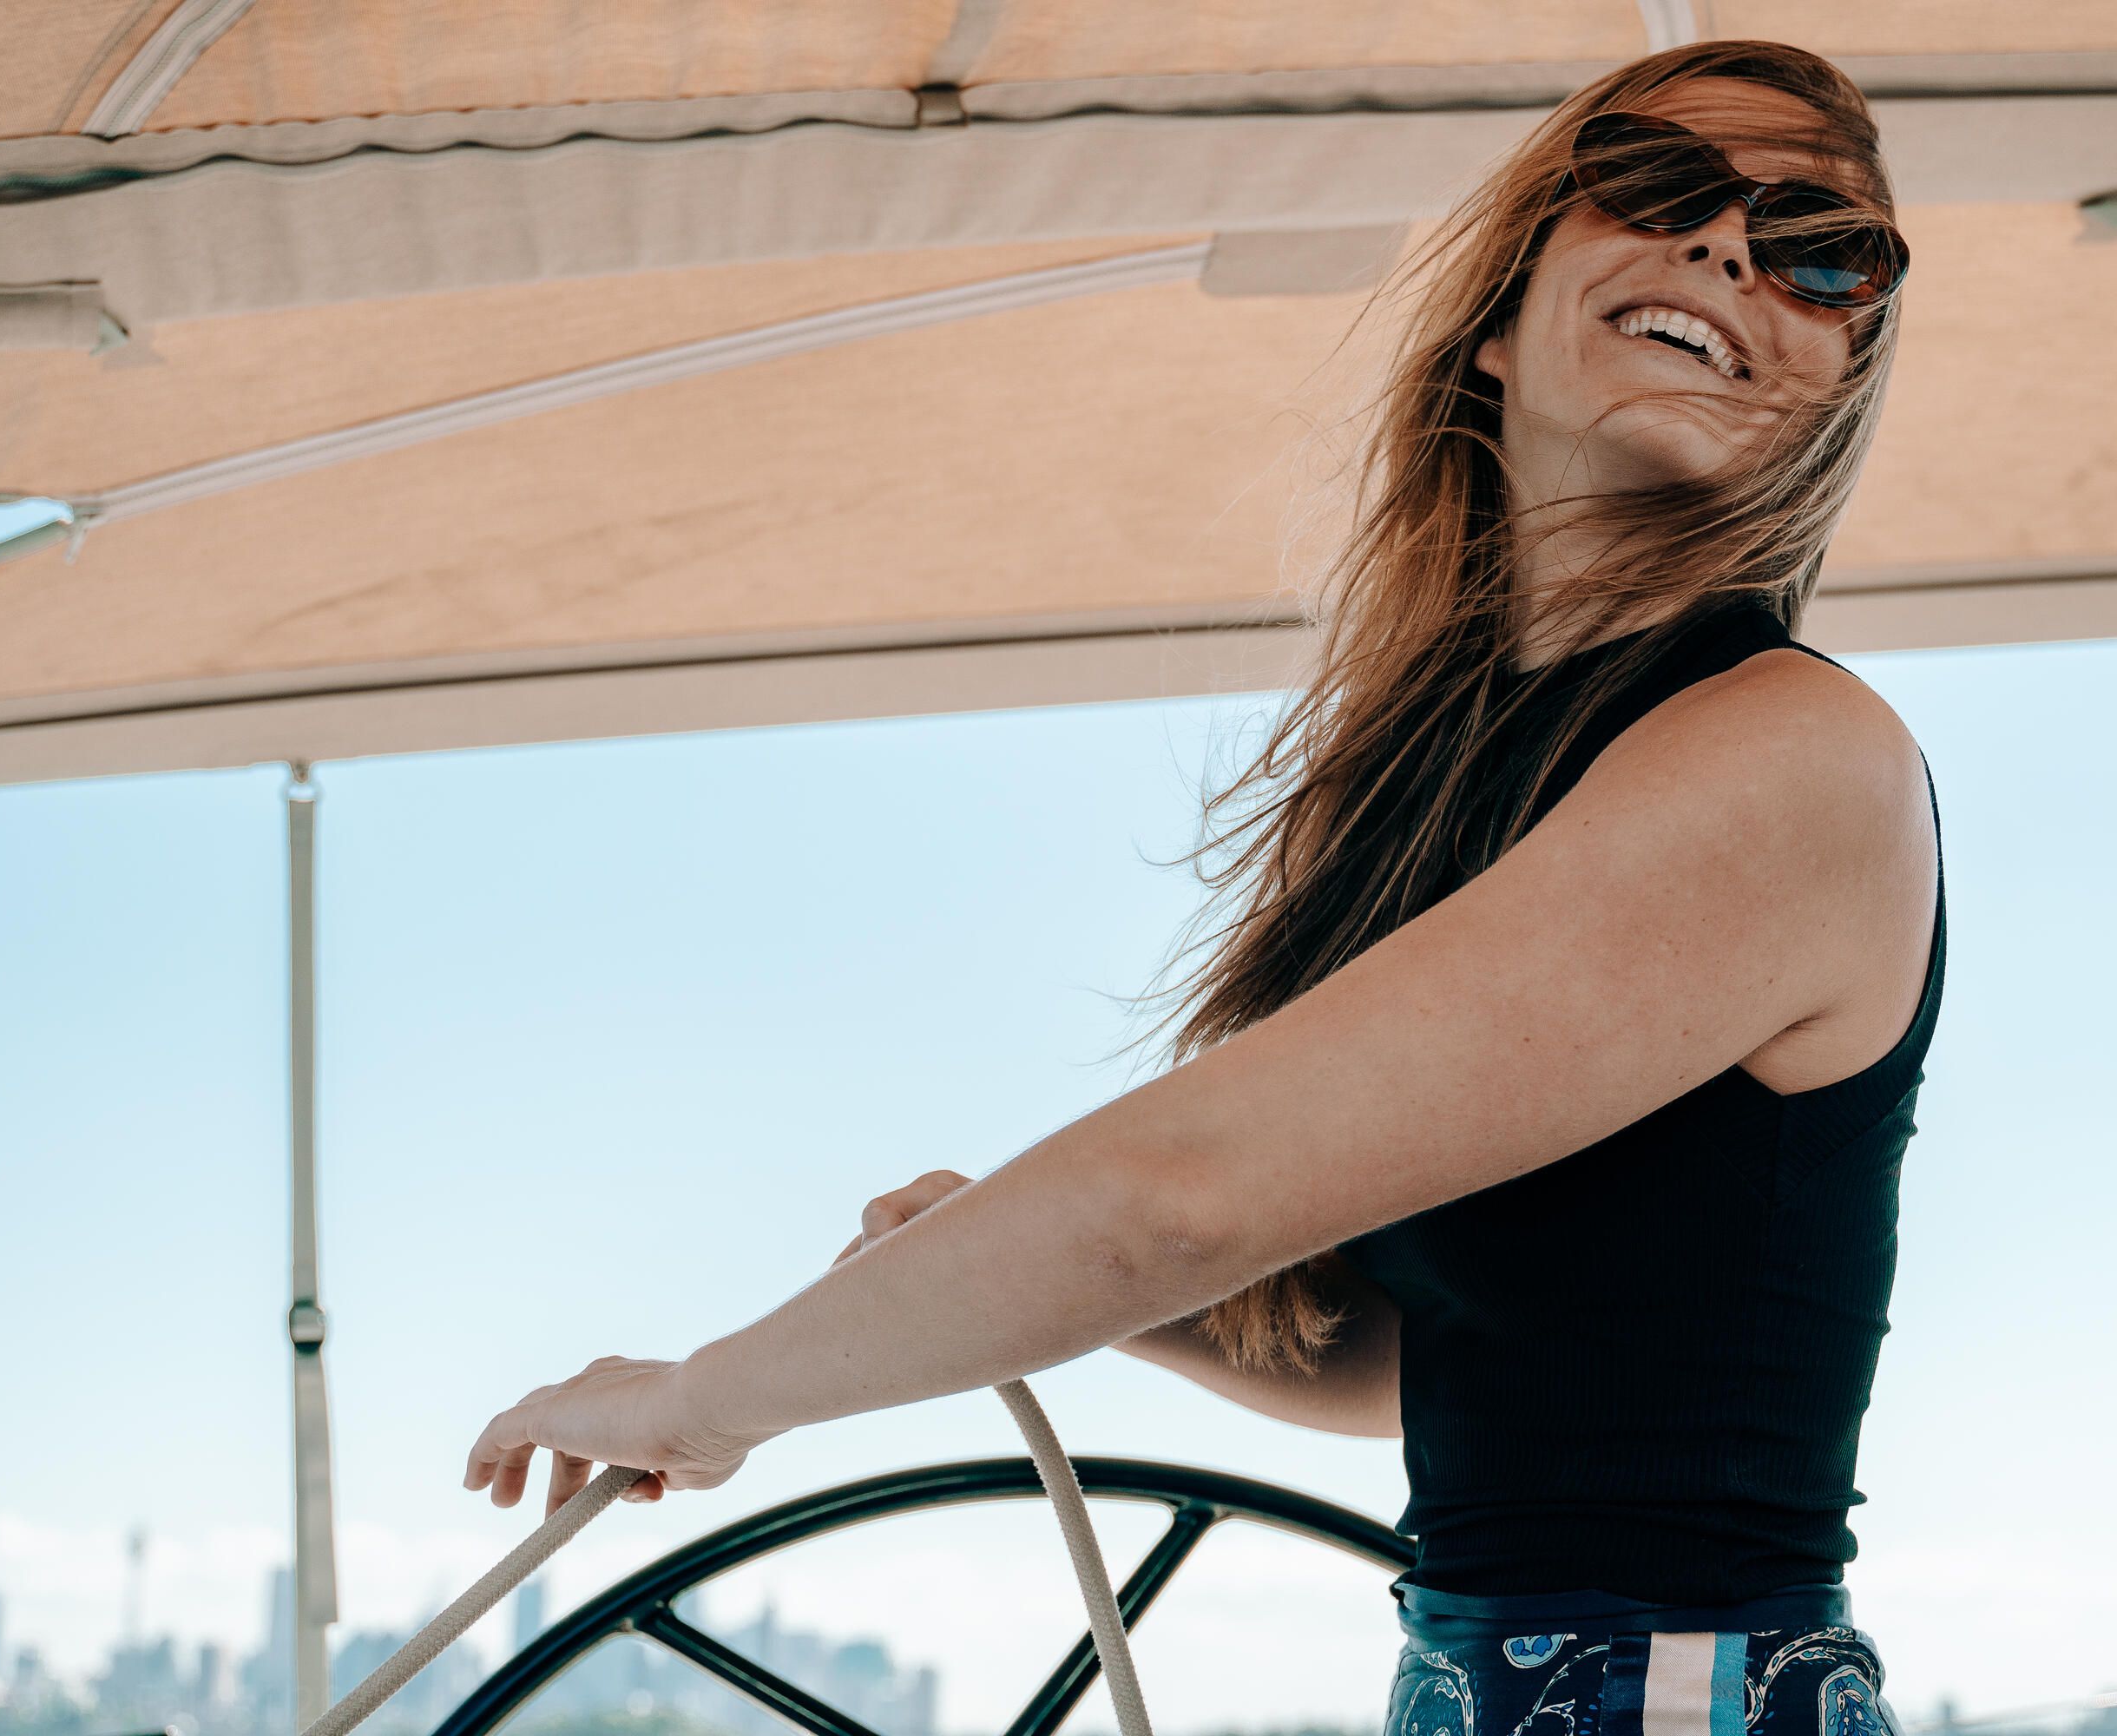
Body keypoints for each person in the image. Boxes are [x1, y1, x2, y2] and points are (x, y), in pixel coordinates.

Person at [464, 37, 1941, 1736]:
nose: (1731, 250)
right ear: (1498, 306)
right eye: (1659, 183)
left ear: (1836, 383)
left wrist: (708, 1398)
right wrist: (1025, 1277)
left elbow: (1181, 1202)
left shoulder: (1788, 758)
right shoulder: (1464, 787)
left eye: (1823, 248)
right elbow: (1409, 1359)